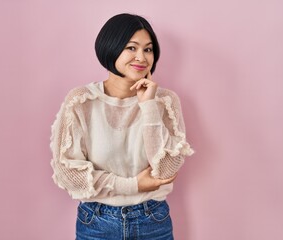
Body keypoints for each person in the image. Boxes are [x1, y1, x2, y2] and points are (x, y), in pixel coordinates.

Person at [50, 13, 194, 240]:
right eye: (131, 48)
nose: (142, 57)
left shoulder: (165, 101)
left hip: (152, 220)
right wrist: (133, 185)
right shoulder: (82, 100)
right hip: (96, 221)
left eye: (148, 49)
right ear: (111, 47)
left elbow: (165, 170)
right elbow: (68, 173)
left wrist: (149, 107)